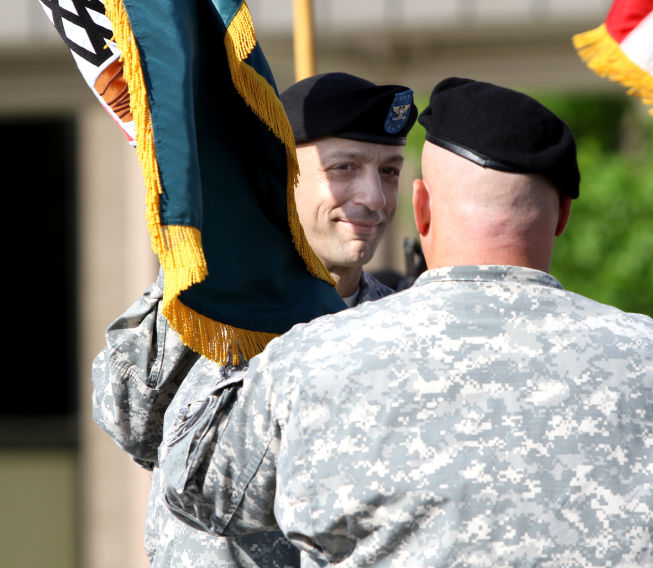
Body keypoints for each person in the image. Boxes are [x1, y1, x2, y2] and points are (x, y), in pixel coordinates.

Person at [159, 77, 653, 567]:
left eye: (386, 172)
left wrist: (243, 284)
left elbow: (198, 485)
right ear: (561, 215)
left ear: (422, 207)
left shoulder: (316, 358)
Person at [91, 72, 417, 567]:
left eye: (389, 171)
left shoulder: (402, 335)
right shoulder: (215, 307)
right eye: (345, 168)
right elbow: (130, 420)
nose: (373, 198)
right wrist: (202, 267)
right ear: (278, 175)